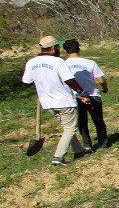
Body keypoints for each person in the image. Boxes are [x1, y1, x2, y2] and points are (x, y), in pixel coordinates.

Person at [23, 35, 89, 165]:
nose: (59, 48)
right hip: (63, 101)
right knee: (70, 129)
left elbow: (25, 83)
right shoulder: (58, 62)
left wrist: (40, 79)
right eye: (58, 46)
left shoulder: (31, 62)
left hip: (47, 103)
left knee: (67, 128)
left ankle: (79, 150)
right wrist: (82, 93)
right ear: (53, 48)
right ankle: (58, 157)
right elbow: (70, 80)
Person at [64, 39, 109, 150]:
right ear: (79, 48)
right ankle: (104, 142)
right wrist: (105, 88)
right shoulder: (89, 63)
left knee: (81, 121)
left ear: (66, 51)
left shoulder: (63, 65)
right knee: (98, 120)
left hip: (74, 97)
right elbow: (101, 80)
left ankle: (87, 143)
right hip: (92, 94)